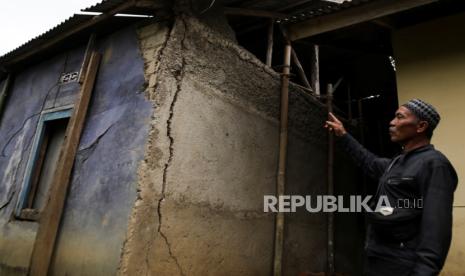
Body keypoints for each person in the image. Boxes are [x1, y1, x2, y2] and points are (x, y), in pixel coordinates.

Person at [325, 99, 458, 276]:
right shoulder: (396, 163)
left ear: (421, 126)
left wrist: (424, 271)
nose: (392, 122)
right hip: (377, 257)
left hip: (402, 264)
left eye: (399, 117)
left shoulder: (434, 165)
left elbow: (436, 226)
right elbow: (368, 161)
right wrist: (343, 135)